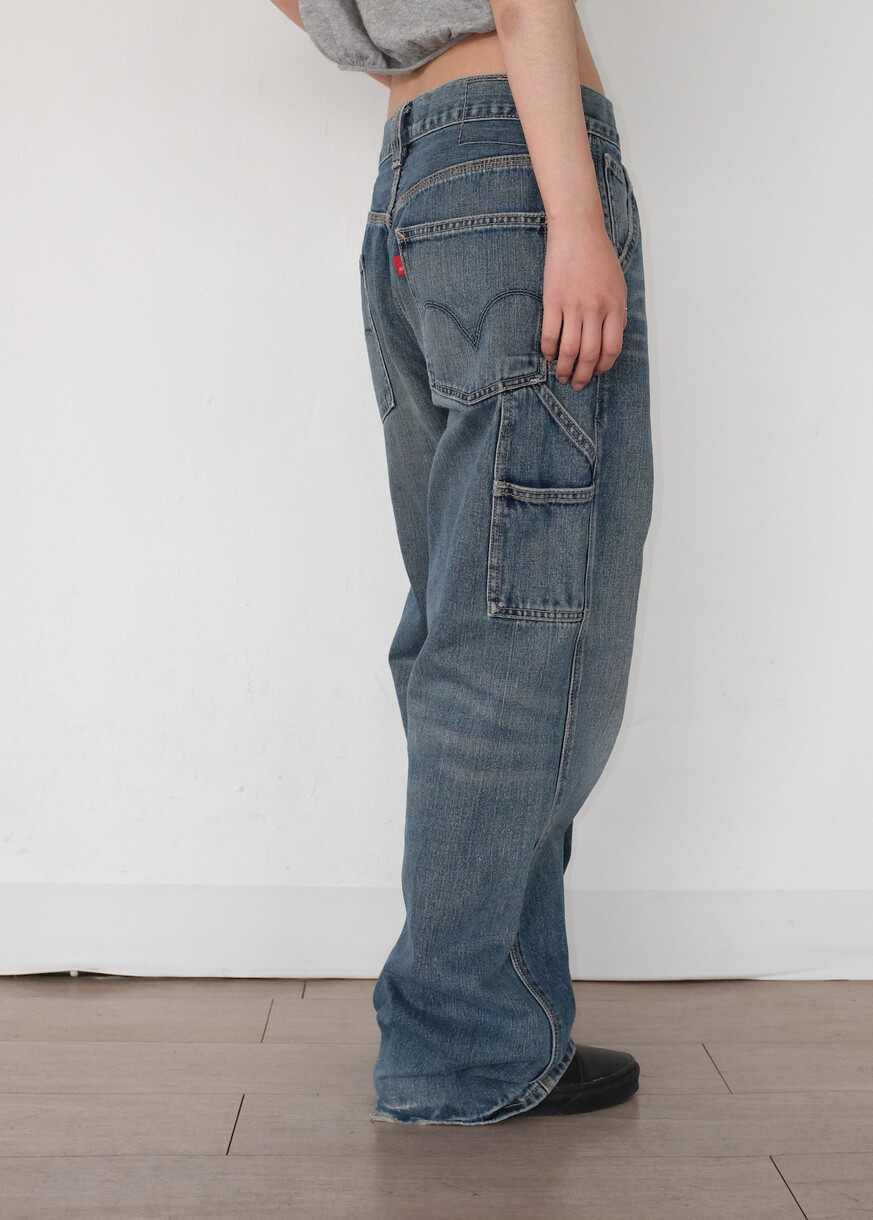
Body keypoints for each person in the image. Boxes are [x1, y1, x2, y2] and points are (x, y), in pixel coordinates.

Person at [267, 0, 654, 1125]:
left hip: (414, 183)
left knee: (470, 623)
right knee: (522, 638)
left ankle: (493, 1023)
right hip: (515, 167)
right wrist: (572, 217)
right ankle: (460, 1045)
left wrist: (394, 45)